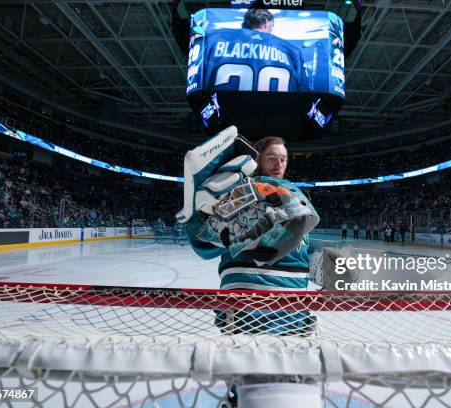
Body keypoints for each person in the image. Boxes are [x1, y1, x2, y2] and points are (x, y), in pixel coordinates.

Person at [180, 130, 323, 407]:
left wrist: (326, 263)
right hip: (250, 303)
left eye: (283, 159)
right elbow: (204, 244)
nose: (279, 164)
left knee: (274, 380)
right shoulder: (243, 190)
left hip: (291, 304)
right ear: (256, 159)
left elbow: (300, 243)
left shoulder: (289, 190)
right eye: (272, 158)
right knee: (256, 382)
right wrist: (198, 215)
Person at [202, 9, 309, 92]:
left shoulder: (212, 39)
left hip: (224, 112)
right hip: (278, 114)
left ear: (243, 25)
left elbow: (195, 82)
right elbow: (304, 93)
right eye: (271, 27)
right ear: (266, 23)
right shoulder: (292, 51)